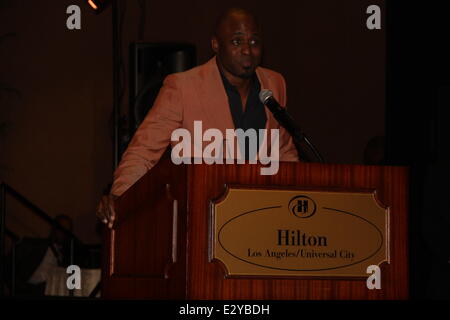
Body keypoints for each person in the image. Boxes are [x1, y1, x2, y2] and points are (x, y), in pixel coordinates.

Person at [97, 7, 299, 228]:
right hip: (202, 217)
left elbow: (284, 151)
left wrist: (296, 200)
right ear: (215, 45)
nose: (247, 50)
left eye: (254, 42)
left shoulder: (274, 84)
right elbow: (143, 153)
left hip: (260, 216)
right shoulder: (183, 88)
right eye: (236, 41)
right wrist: (119, 197)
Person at [6, 214, 84, 296]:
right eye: (61, 229)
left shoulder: (67, 254)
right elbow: (9, 265)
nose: (64, 234)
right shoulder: (34, 245)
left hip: (51, 290)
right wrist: (17, 287)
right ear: (53, 229)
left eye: (67, 231)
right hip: (29, 289)